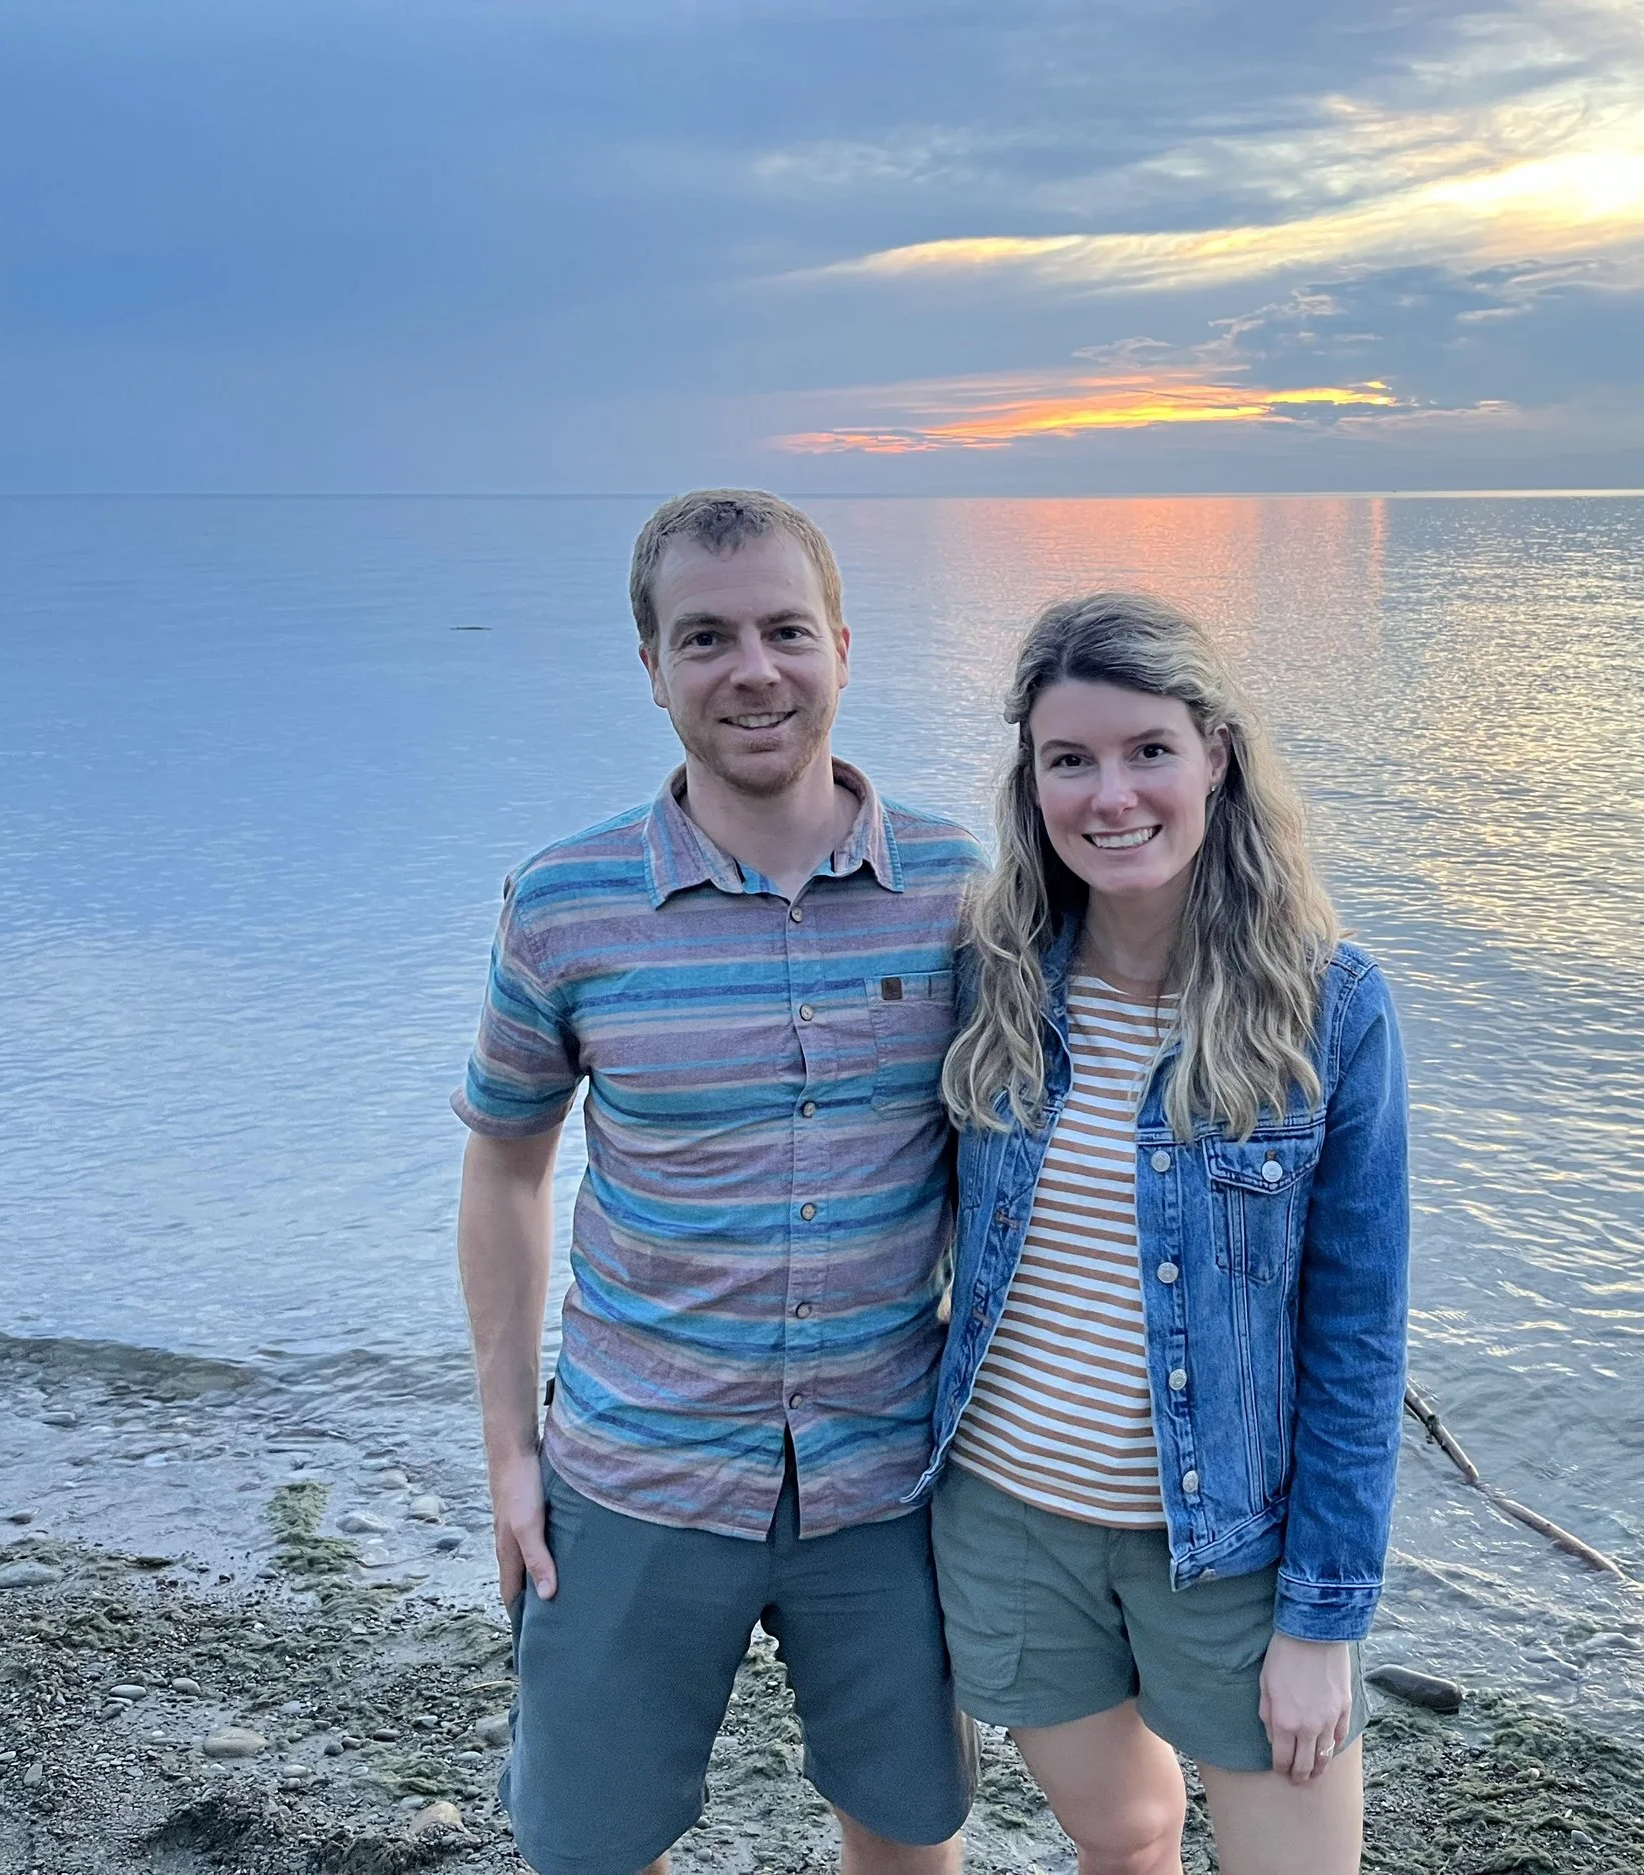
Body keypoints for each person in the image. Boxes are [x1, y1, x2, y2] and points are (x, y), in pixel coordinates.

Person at [452, 490, 981, 1875]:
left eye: (785, 630)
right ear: (652, 667)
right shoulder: (564, 903)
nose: (754, 670)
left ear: (842, 648)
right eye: (706, 637)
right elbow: (505, 1169)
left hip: (886, 1476)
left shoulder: (960, 891)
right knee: (588, 1845)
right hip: (635, 1467)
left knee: (911, 1831)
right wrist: (509, 1454)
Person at [918, 592, 1410, 1875]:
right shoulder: (988, 976)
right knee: (1125, 1831)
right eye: (1068, 760)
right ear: (1029, 781)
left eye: (1148, 751)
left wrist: (1322, 1623)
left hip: (1231, 1548)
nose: (1111, 795)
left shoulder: (1327, 1009)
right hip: (1005, 1520)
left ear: (1217, 759)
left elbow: (1358, 1340)